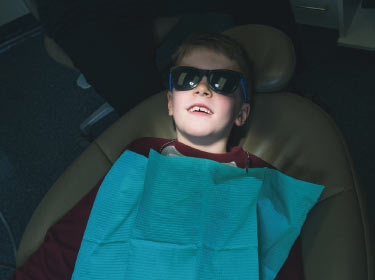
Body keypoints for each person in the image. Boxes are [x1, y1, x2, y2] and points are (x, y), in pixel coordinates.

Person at [10, 32, 305, 279]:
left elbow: (278, 262)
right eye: (187, 78)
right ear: (170, 103)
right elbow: (77, 239)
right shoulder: (141, 156)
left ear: (241, 113)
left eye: (222, 82)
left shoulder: (261, 181)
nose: (202, 89)